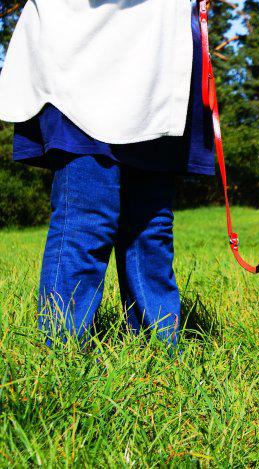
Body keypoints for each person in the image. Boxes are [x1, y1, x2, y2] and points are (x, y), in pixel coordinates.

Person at [0, 0, 214, 346]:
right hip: (86, 67)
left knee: (151, 225)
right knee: (86, 219)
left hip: (157, 72)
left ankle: (158, 349)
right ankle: (62, 350)